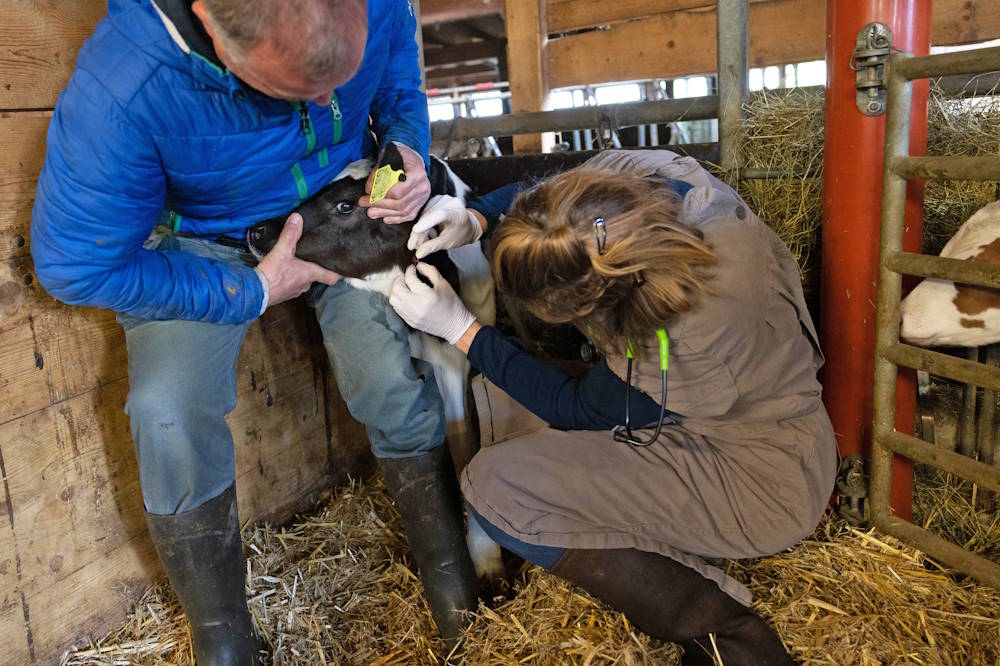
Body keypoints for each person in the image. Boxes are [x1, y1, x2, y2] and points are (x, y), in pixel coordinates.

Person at [30, 0, 477, 662]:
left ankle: (454, 587)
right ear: (213, 24)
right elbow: (74, 265)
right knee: (166, 411)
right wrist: (250, 289)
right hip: (213, 240)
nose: (331, 104)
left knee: (387, 375)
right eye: (300, 89)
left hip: (342, 208)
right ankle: (224, 638)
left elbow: (395, 69)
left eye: (338, 82)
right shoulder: (126, 86)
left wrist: (405, 140)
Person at [390, 149, 839, 665]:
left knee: (495, 489)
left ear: (590, 303)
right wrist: (478, 216)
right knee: (502, 397)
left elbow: (576, 408)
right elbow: (556, 201)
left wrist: (460, 330)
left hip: (760, 475)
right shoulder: (654, 181)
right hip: (729, 407)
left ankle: (722, 630)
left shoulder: (683, 331)